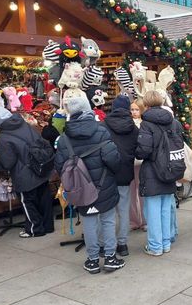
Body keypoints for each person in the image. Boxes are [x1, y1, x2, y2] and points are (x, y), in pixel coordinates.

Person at [54, 97, 124, 274]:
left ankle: (92, 260)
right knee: (107, 221)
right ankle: (110, 257)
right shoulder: (101, 132)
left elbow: (59, 166)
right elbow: (113, 160)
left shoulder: (63, 139)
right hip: (104, 185)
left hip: (80, 189)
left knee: (89, 223)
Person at [0, 106, 54, 238]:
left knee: (27, 202)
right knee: (44, 198)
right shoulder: (24, 124)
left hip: (24, 173)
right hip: (39, 167)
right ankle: (47, 226)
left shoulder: (4, 137)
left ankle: (34, 229)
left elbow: (7, 163)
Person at [136, 90, 183, 256]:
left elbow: (143, 151)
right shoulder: (173, 121)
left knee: (153, 210)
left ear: (146, 105)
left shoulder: (146, 124)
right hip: (170, 169)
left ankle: (155, 246)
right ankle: (165, 243)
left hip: (153, 170)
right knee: (165, 208)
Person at [104, 95, 139, 257]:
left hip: (107, 173)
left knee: (108, 212)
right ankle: (122, 244)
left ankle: (108, 243)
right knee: (123, 209)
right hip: (125, 172)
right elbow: (139, 149)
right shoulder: (133, 128)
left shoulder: (103, 125)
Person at [129, 100, 146, 230]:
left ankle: (144, 220)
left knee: (142, 191)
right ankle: (134, 220)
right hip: (131, 162)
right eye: (132, 110)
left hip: (141, 161)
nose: (134, 112)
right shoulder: (128, 124)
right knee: (131, 192)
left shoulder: (145, 124)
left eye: (136, 109)